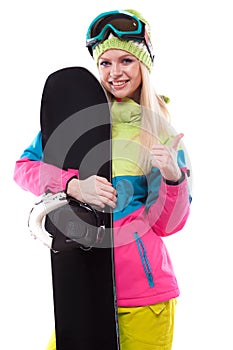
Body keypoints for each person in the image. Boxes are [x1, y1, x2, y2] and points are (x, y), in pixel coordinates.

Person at [14, 9, 191, 350]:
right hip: (84, 286)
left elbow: (169, 225)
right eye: (105, 63)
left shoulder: (160, 133)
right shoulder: (77, 122)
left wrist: (172, 177)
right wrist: (72, 185)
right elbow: (24, 168)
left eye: (126, 60)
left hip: (145, 295)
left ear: (144, 65)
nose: (115, 72)